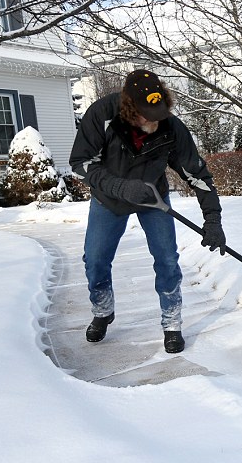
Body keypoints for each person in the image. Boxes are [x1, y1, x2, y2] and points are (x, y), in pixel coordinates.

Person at [69, 69, 226, 354]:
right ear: (130, 109)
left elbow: (197, 176)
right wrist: (120, 187)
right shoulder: (102, 114)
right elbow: (81, 163)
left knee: (167, 259)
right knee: (95, 260)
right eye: (147, 117)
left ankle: (172, 323)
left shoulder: (171, 126)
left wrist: (212, 219)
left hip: (154, 198)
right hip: (109, 200)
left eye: (159, 115)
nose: (154, 123)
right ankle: (103, 310)